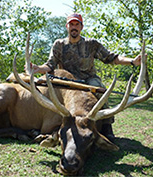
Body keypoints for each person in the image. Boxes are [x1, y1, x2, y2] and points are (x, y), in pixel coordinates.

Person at [27, 13, 142, 142]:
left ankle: (107, 126)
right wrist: (38, 69)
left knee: (101, 91)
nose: (74, 27)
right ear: (67, 27)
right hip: (66, 82)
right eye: (71, 24)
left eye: (77, 24)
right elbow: (50, 65)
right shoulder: (58, 44)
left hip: (88, 80)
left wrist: (132, 61)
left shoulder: (91, 44)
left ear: (81, 27)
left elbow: (111, 58)